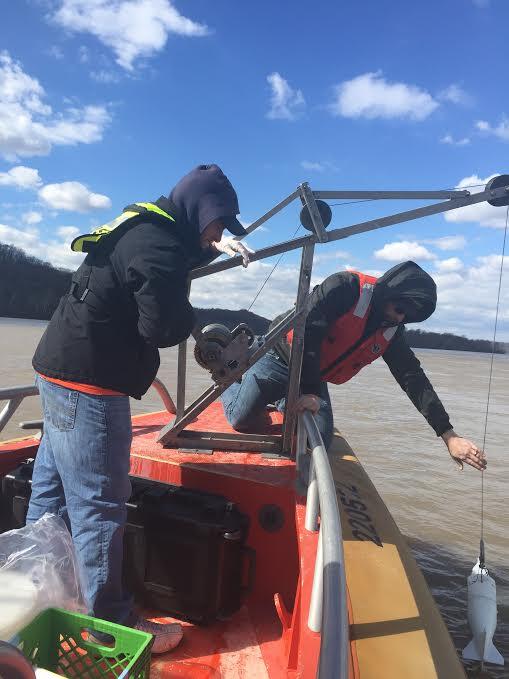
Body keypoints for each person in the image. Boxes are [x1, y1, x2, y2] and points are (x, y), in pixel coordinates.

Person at [28, 164, 252, 653]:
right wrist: (193, 293)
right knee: (100, 507)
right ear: (202, 212)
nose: (220, 237)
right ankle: (108, 625)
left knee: (50, 491)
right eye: (219, 226)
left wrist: (203, 250)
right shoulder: (161, 246)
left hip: (56, 369)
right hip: (90, 386)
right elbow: (162, 328)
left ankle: (35, 590)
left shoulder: (146, 226)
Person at [221, 261, 487, 473]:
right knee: (241, 420)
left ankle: (284, 399)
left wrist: (448, 435)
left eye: (406, 315)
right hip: (279, 357)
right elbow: (308, 331)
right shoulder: (345, 287)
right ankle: (230, 375)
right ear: (389, 292)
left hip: (312, 374)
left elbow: (412, 378)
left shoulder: (392, 331)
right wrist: (312, 391)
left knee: (320, 444)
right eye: (398, 308)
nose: (399, 317)